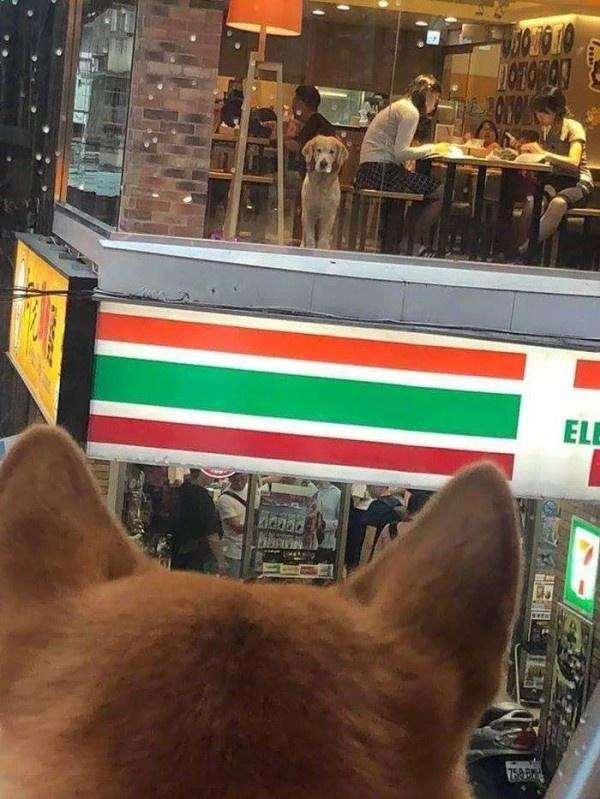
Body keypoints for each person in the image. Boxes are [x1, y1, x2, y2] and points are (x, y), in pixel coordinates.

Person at [356, 74, 450, 255]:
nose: (435, 105)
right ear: (428, 95)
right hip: (381, 170)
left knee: (421, 189)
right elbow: (401, 152)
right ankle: (410, 241)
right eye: (435, 99)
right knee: (439, 192)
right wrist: (433, 148)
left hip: (368, 170)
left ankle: (406, 240)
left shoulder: (401, 106)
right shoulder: (410, 112)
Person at [517, 86, 593, 254]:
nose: (539, 117)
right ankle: (515, 248)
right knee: (533, 203)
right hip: (555, 179)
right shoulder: (546, 129)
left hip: (577, 181)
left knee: (558, 204)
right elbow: (548, 159)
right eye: (537, 112)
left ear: (557, 110)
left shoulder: (573, 127)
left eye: (544, 113)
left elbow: (574, 162)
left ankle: (524, 250)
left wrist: (543, 153)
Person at [172, 469, 226, 574]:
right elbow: (211, 533)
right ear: (202, 472)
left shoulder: (180, 492)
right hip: (196, 557)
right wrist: (221, 560)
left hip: (178, 553)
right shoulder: (202, 498)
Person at [285, 85, 336, 160]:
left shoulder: (315, 122)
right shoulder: (319, 122)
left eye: (294, 102)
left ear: (300, 104)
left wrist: (281, 141)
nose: (292, 106)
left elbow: (295, 146)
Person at [216, 472, 251, 579]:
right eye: (235, 480)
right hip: (234, 552)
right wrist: (257, 525)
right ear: (229, 478)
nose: (239, 483)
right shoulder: (225, 499)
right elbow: (236, 527)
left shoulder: (253, 490)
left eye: (242, 479)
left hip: (251, 551)